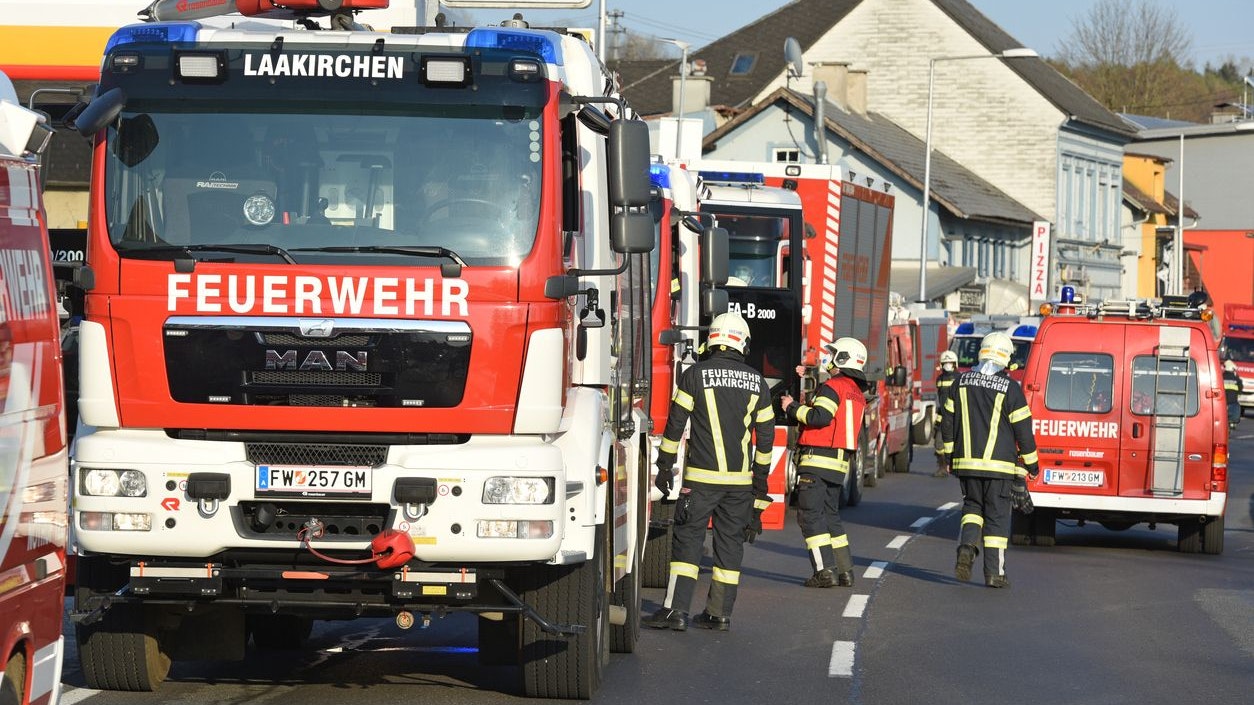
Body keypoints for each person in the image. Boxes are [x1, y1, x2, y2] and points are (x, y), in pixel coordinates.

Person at [644, 312, 775, 632]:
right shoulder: (758, 382)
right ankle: (719, 613)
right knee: (730, 546)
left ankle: (676, 611)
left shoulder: (694, 376)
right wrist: (759, 486)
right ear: (742, 343)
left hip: (700, 482)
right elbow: (766, 439)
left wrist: (664, 466)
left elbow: (675, 426)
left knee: (687, 544)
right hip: (740, 485)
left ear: (712, 339)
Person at [939, 331, 1039, 589]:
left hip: (966, 463)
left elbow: (947, 422)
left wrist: (950, 454)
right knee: (996, 517)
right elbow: (1023, 431)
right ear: (1006, 358)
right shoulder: (1011, 388)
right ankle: (994, 573)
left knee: (972, 507)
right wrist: (1032, 465)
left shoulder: (958, 383)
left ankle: (967, 546)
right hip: (1000, 467)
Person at [779, 337, 868, 589]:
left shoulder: (833, 386)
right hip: (839, 464)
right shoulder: (856, 392)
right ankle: (845, 570)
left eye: (833, 354)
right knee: (831, 516)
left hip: (817, 459)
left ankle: (824, 570)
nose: (827, 359)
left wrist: (792, 407)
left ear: (842, 359)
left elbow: (820, 416)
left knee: (810, 516)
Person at [932, 350, 959, 477]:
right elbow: (940, 400)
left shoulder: (959, 378)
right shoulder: (940, 380)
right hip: (944, 416)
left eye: (950, 363)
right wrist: (937, 419)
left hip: (956, 416)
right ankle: (943, 467)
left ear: (955, 364)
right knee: (938, 443)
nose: (948, 365)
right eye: (945, 363)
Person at [1223, 359, 1243, 429]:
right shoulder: (1236, 379)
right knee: (1237, 407)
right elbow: (1240, 388)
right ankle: (1232, 423)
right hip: (1233, 402)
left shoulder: (1221, 377)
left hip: (1222, 403)